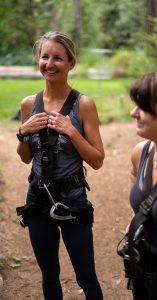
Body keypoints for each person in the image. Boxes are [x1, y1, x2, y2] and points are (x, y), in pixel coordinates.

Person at [16, 31, 104, 300]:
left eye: (58, 58)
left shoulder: (83, 105)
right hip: (38, 198)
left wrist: (72, 132)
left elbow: (98, 160)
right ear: (38, 60)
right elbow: (25, 157)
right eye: (45, 57)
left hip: (73, 199)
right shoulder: (29, 104)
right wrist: (22, 132)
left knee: (86, 275)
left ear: (71, 63)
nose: (49, 64)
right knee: (49, 274)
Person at [128, 71, 157, 299]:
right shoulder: (140, 153)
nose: (133, 113)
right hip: (143, 273)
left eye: (143, 107)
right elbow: (135, 183)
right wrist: (134, 221)